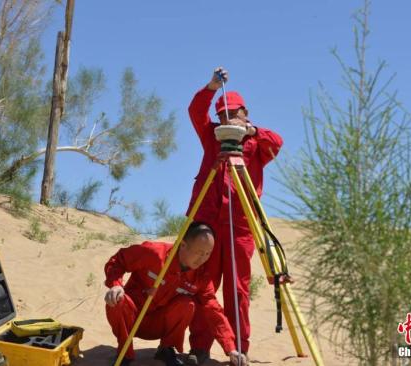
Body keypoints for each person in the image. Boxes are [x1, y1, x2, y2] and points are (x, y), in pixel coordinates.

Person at [186, 67, 283, 365]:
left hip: (241, 227)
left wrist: (252, 131)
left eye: (234, 114)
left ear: (245, 113)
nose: (229, 120)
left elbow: (276, 142)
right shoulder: (212, 137)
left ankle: (238, 348)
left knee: (237, 290)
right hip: (207, 227)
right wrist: (212, 87)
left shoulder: (256, 144)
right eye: (224, 115)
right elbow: (196, 111)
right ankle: (200, 348)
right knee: (204, 285)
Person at [104, 222, 247, 366]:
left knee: (187, 304)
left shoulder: (202, 276)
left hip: (158, 325)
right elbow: (119, 260)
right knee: (118, 299)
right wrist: (116, 285)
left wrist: (231, 349)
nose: (202, 259)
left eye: (207, 254)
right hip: (132, 318)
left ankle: (166, 349)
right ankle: (125, 354)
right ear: (183, 244)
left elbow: (214, 310)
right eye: (199, 252)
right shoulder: (154, 253)